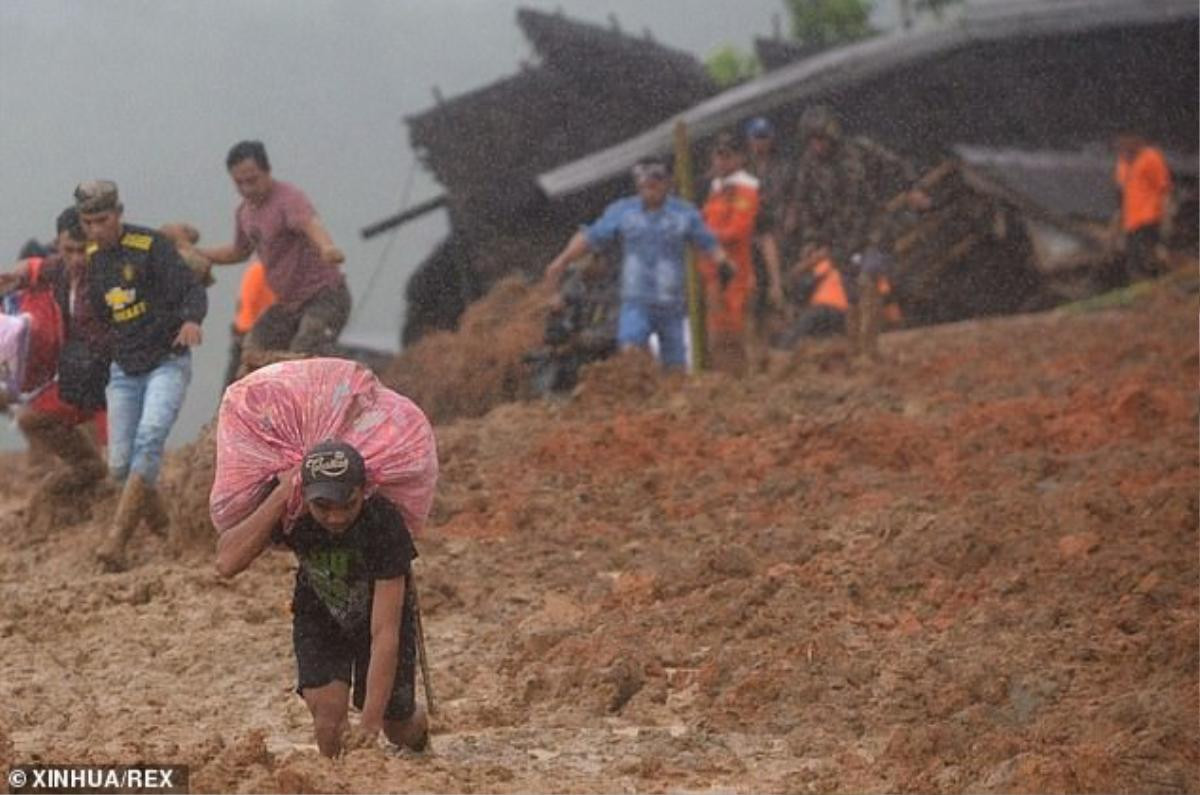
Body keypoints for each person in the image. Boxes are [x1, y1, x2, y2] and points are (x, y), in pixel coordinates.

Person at [215, 439, 428, 757]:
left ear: (363, 492)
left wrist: (369, 726)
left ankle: (418, 729)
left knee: (396, 726)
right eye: (323, 507)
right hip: (320, 612)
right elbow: (226, 563)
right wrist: (281, 496)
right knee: (328, 721)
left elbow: (385, 633)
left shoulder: (383, 522)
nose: (336, 517)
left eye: (348, 504)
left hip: (379, 617)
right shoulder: (293, 511)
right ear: (306, 498)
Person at [75, 180, 207, 572]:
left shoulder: (151, 247)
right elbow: (100, 315)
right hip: (125, 371)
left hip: (167, 361)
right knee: (118, 464)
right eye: (89, 222)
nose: (97, 229)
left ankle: (117, 541)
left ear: (118, 213)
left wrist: (191, 321)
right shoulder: (95, 261)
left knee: (149, 440)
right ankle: (167, 529)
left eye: (102, 219)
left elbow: (191, 290)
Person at [543, 156, 730, 372]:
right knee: (631, 351)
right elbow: (590, 236)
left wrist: (723, 262)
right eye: (643, 179)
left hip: (672, 305)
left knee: (676, 365)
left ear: (668, 181)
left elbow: (707, 240)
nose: (649, 184)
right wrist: (562, 260)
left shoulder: (684, 213)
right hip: (637, 301)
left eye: (656, 179)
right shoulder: (624, 211)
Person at [785, 105, 925, 361]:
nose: (817, 146)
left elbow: (894, 165)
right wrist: (810, 240)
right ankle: (857, 351)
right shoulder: (808, 167)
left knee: (869, 279)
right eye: (812, 141)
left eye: (821, 139)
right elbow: (805, 207)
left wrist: (911, 188)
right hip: (840, 239)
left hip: (874, 230)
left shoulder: (859, 150)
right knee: (851, 298)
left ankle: (869, 351)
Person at [197, 140, 350, 359]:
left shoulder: (288, 199)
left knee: (306, 348)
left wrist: (327, 248)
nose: (247, 189)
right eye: (239, 183)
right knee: (253, 351)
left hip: (324, 297)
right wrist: (197, 254)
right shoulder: (244, 213)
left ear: (267, 171)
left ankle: (342, 383)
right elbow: (238, 252)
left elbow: (310, 224)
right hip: (288, 304)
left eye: (252, 180)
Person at [0, 207, 111, 493]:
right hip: (58, 377)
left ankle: (94, 470)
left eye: (81, 250)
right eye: (69, 251)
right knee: (34, 416)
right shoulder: (49, 277)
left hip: (101, 372)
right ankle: (84, 469)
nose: (76, 259)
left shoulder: (108, 271)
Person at [698, 130, 762, 375]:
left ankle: (741, 377)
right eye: (718, 155)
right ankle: (722, 378)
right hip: (711, 269)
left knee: (733, 328)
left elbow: (738, 229)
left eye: (727, 156)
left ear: (740, 158)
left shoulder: (746, 190)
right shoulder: (715, 189)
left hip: (734, 269)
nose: (721, 161)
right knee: (715, 328)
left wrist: (705, 236)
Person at [743, 116, 789, 358]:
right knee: (753, 300)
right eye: (756, 138)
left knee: (776, 296)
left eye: (764, 137)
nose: (760, 143)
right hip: (751, 240)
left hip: (779, 237)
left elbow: (793, 199)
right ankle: (755, 351)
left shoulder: (783, 168)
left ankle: (773, 350)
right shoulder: (742, 172)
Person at [1113, 131, 1172, 282]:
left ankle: (1154, 284)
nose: (1123, 144)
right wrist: (1118, 220)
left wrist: (1165, 216)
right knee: (1133, 257)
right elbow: (1121, 191)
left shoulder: (1151, 158)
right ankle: (1143, 285)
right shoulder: (1123, 162)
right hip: (1131, 220)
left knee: (1145, 255)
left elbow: (1163, 188)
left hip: (1149, 216)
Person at [224, 261, 276, 387]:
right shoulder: (260, 272)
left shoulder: (260, 270)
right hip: (253, 336)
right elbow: (247, 309)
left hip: (253, 334)